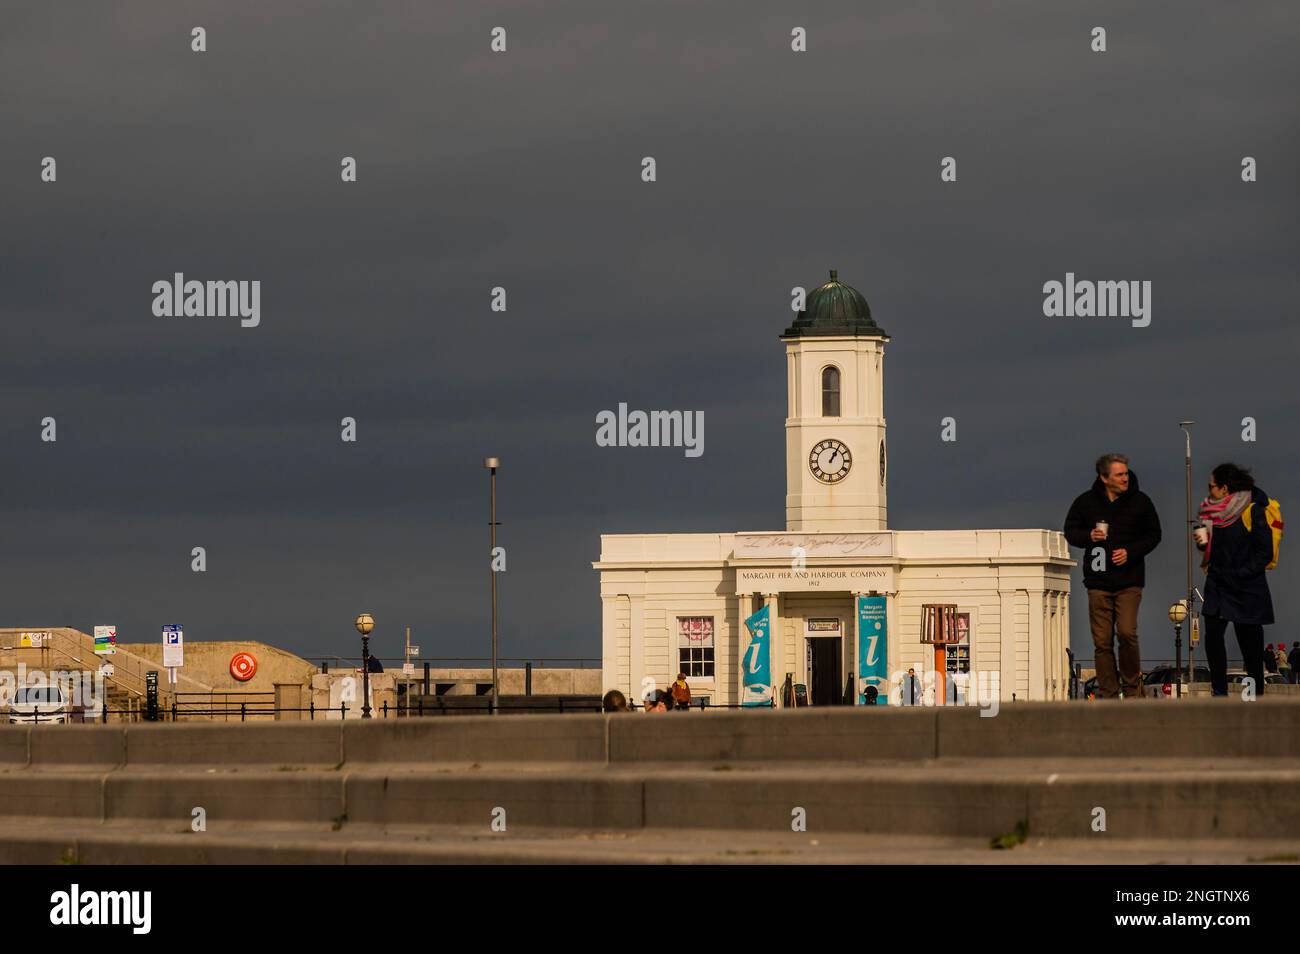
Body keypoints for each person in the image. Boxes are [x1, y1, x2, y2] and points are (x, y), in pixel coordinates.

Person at [1063, 453, 1162, 699]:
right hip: (1097, 583)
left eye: (1126, 473)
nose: (1125, 478)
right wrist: (1089, 536)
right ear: (1105, 478)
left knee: (1127, 633)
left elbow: (1154, 534)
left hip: (1129, 581)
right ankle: (1108, 692)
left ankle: (1131, 689)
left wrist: (1130, 552)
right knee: (1102, 642)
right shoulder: (1086, 503)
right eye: (1119, 474)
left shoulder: (1140, 502)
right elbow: (1071, 531)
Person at [1196, 463, 1274, 697]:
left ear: (1224, 488)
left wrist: (1241, 573)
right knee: (1213, 636)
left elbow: (1265, 553)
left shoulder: (1252, 510)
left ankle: (1254, 694)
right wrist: (1202, 542)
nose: (1209, 491)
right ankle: (1219, 690)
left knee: (1250, 644)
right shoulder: (1211, 512)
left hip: (1246, 587)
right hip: (1218, 584)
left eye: (1212, 487)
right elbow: (1209, 547)